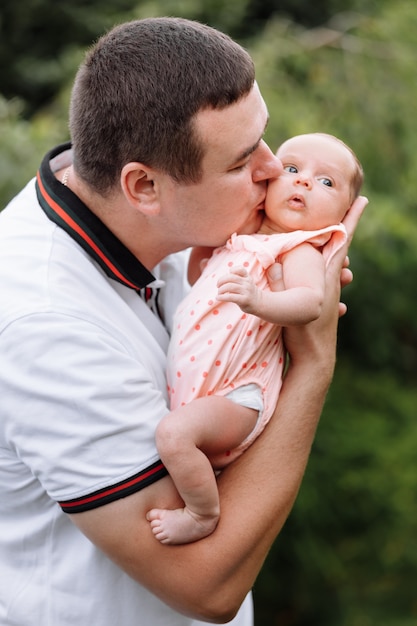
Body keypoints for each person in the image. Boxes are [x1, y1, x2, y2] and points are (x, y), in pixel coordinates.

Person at [0, 17, 367, 626]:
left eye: (266, 140)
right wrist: (313, 362)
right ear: (144, 185)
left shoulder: (146, 215)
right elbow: (206, 588)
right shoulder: (45, 327)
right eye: (242, 162)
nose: (276, 172)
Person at [147, 132, 364, 545]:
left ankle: (202, 514)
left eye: (326, 182)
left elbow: (309, 303)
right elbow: (198, 277)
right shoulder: (245, 237)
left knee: (174, 436)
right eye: (293, 169)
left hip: (237, 395)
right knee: (176, 439)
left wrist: (259, 300)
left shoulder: (297, 250)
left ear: (344, 213)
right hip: (199, 386)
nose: (303, 182)